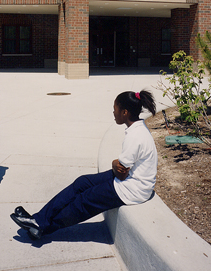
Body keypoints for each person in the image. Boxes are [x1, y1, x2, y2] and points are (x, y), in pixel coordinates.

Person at [10, 89, 157, 240]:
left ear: (124, 112)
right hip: (131, 180)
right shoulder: (137, 128)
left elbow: (121, 172)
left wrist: (114, 163)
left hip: (134, 189)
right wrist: (117, 165)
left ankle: (40, 226)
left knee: (84, 201)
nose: (113, 113)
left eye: (115, 109)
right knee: (82, 182)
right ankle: (38, 220)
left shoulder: (135, 136)